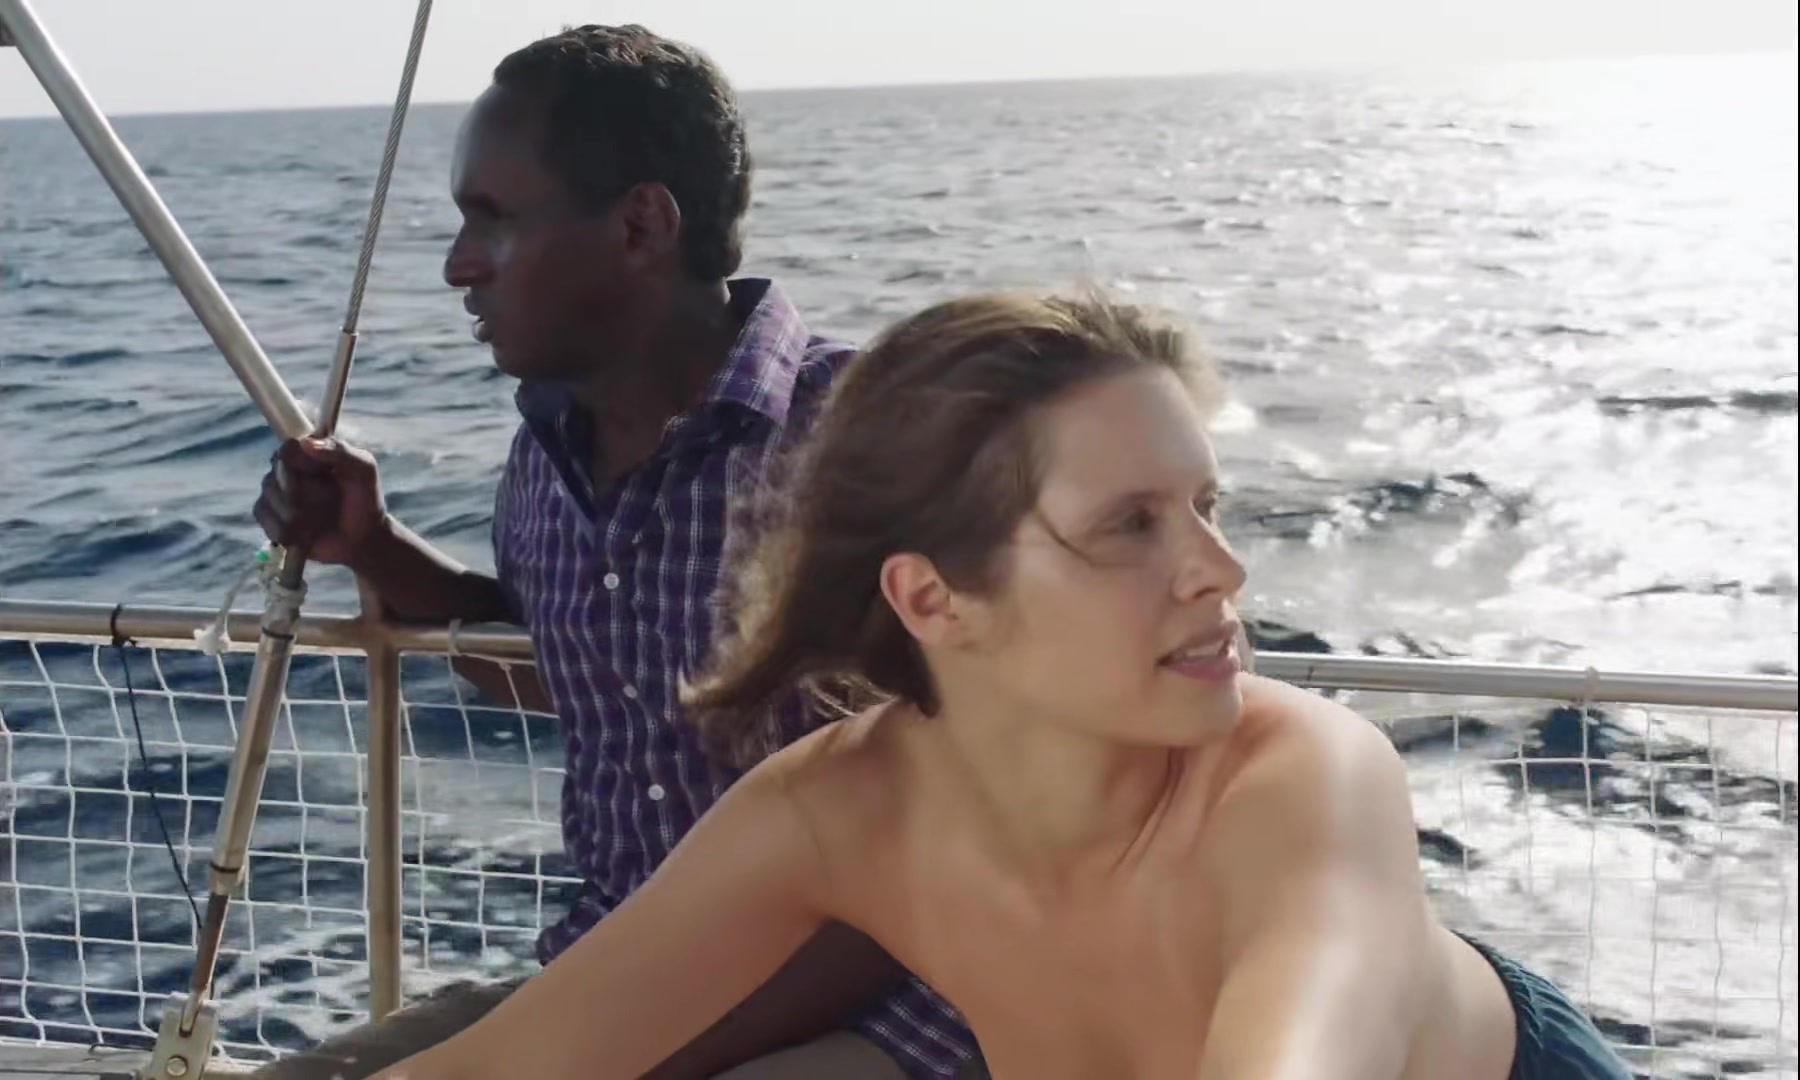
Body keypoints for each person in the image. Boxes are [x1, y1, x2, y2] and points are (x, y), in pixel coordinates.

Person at [362, 292, 1635, 1080]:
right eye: (1130, 525)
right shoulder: (840, 810)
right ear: (932, 600)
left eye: (1206, 504)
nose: (1221, 568)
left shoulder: (1303, 778)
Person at [249, 23, 979, 1080]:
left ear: (641, 225)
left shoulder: (873, 437)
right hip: (619, 979)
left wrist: (622, 1059)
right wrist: (376, 550)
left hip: (888, 1000)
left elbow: (968, 825)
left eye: (492, 218)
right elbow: (580, 670)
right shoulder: (546, 449)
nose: (457, 265)